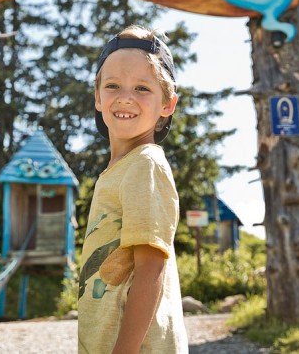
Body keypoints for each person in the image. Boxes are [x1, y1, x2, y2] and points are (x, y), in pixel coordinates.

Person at [78, 26, 188, 353]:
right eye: (113, 85)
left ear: (168, 104)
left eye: (142, 87)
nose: (125, 97)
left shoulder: (145, 164)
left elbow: (150, 269)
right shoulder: (119, 171)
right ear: (98, 98)